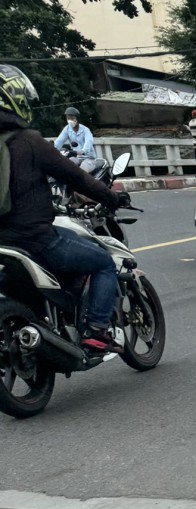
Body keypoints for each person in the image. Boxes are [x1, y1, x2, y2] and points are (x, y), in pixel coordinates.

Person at [0, 65, 130, 356]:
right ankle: (97, 331)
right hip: (36, 239)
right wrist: (111, 198)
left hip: (3, 244)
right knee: (103, 263)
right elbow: (78, 178)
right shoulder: (29, 142)